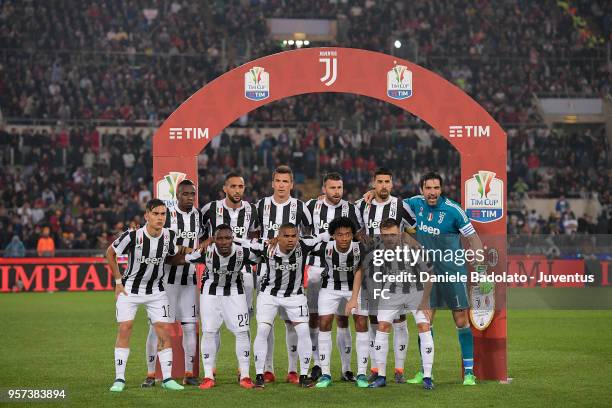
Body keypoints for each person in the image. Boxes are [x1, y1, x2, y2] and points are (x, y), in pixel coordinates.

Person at [404, 172, 489, 386]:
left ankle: (469, 372)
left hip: (453, 272)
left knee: (461, 321)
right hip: (427, 275)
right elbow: (388, 204)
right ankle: (426, 372)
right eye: (428, 188)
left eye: (436, 188)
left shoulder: (454, 210)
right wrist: (369, 194)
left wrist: (480, 269)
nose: (432, 192)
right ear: (421, 189)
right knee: (425, 320)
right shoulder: (414, 204)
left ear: (441, 189)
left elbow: (474, 239)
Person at [106, 198, 185, 392]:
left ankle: (167, 379)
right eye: (156, 214)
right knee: (125, 328)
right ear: (146, 215)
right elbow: (110, 253)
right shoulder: (133, 236)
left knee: (163, 331)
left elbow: (174, 257)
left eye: (163, 214)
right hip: (130, 289)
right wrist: (117, 282)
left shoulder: (170, 236)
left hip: (156, 291)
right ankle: (119, 379)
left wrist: (193, 255)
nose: (160, 218)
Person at [241, 223, 321, 389]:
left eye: (293, 236)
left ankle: (304, 376)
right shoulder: (267, 247)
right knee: (263, 330)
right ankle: (259, 375)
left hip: (295, 296)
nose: (290, 240)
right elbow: (244, 242)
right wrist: (211, 239)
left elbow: (326, 236)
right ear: (278, 237)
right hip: (269, 295)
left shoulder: (305, 245)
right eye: (286, 236)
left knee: (304, 331)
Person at [356, 168, 416, 383]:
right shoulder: (363, 204)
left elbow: (415, 229)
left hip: (396, 271)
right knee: (375, 318)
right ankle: (376, 367)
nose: (383, 185)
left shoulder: (401, 205)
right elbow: (354, 228)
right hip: (372, 270)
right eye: (379, 181)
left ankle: (399, 369)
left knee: (399, 319)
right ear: (373, 183)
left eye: (386, 182)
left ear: (392, 184)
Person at [360, 218, 434, 390]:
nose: (389, 238)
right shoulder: (376, 249)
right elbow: (369, 272)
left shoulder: (414, 248)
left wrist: (425, 302)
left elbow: (430, 274)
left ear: (400, 233)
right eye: (385, 235)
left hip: (416, 292)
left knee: (424, 326)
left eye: (393, 234)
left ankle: (428, 377)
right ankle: (381, 376)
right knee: (383, 326)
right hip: (391, 292)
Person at [182, 224, 258, 389]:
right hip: (210, 294)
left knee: (242, 332)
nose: (224, 242)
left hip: (235, 292)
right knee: (209, 332)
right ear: (213, 240)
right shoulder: (206, 252)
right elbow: (187, 258)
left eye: (227, 238)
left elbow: (261, 254)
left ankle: (244, 375)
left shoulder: (241, 252)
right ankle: (208, 376)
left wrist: (242, 241)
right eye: (220, 238)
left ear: (232, 239)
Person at [143, 180, 203, 388]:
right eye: (185, 194)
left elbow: (202, 243)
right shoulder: (167, 216)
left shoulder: (198, 216)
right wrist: (185, 252)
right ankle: (150, 374)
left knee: (190, 326)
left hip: (189, 280)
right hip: (166, 282)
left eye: (192, 194)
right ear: (177, 195)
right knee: (157, 328)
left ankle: (189, 373)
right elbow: (161, 245)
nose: (189, 197)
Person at [255, 166, 312, 384]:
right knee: (265, 326)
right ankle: (267, 369)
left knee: (292, 325)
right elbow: (251, 233)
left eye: (285, 181)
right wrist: (267, 243)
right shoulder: (261, 205)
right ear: (272, 183)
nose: (281, 185)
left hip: (292, 276)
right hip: (266, 275)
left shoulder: (299, 206)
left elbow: (311, 231)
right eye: (277, 181)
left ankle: (292, 370)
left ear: (291, 184)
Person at [305, 172, 363, 382]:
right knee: (316, 318)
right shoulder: (311, 206)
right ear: (324, 189)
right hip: (316, 269)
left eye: (339, 188)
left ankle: (346, 368)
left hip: (343, 272)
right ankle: (318, 364)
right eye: (332, 188)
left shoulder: (351, 208)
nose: (336, 192)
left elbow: (359, 235)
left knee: (342, 319)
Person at [308, 217, 370, 388]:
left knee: (361, 322)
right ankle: (326, 373)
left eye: (347, 234)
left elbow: (360, 271)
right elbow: (301, 246)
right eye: (340, 235)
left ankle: (362, 373)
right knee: (325, 322)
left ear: (353, 235)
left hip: (355, 287)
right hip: (330, 287)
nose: (344, 238)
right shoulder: (325, 247)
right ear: (333, 236)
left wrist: (353, 299)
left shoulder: (360, 248)